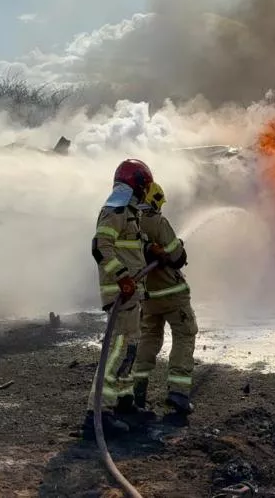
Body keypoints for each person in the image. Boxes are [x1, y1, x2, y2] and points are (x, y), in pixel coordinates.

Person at [82, 158, 154, 439]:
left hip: (131, 293)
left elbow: (130, 248)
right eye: (144, 185)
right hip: (120, 291)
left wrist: (152, 249)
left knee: (130, 348)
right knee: (117, 351)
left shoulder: (130, 213)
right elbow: (101, 246)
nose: (146, 191)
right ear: (136, 183)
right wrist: (122, 277)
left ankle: (123, 401)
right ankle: (97, 412)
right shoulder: (116, 208)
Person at [133, 182, 197, 415]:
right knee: (184, 333)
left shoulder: (130, 222)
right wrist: (177, 246)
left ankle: (136, 391)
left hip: (148, 297)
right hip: (172, 294)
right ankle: (178, 392)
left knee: (148, 338)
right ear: (154, 200)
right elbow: (177, 257)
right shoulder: (157, 222)